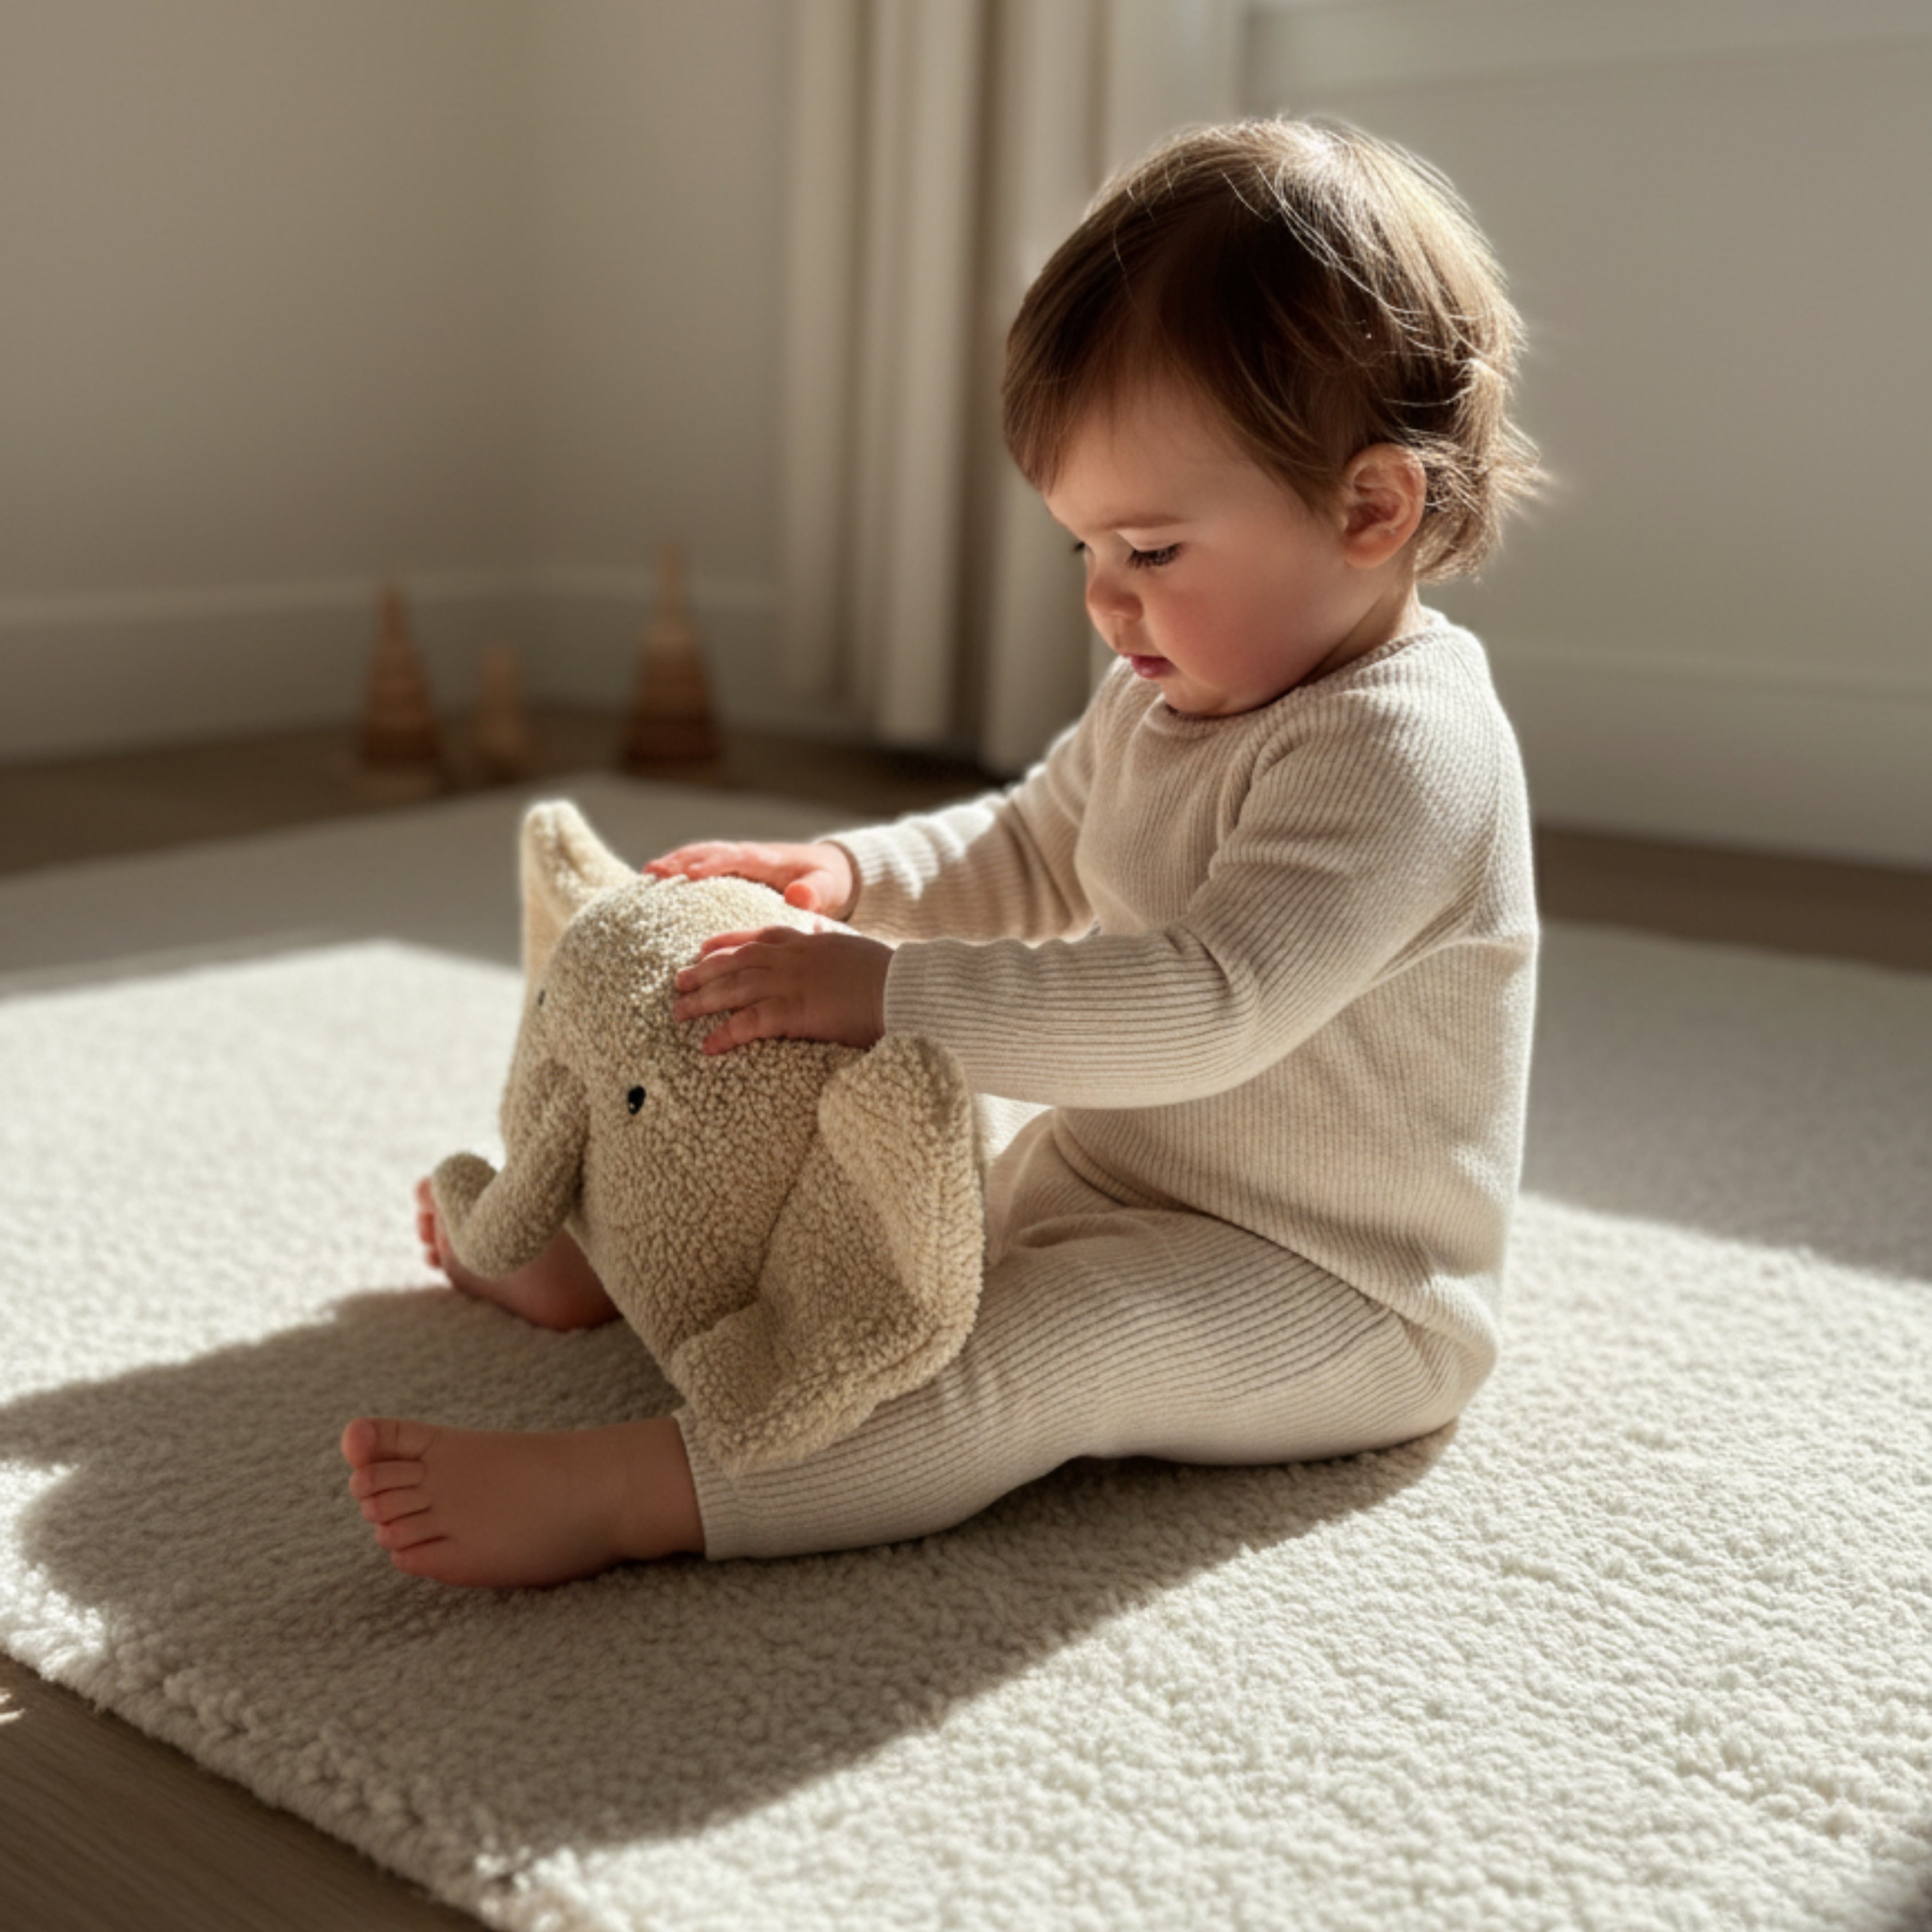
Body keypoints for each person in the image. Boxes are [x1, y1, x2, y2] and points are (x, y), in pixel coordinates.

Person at [342, 117, 1542, 1587]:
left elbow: (1212, 1003)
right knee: (848, 1229)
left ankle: (633, 1493)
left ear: (1369, 509)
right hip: (1113, 1174)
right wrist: (851, 877)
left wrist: (893, 993)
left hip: (1332, 1283)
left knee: (1034, 1354)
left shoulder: (1401, 751)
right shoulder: (1173, 681)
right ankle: (614, 1264)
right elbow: (1033, 839)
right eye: (1080, 550)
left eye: (1152, 551)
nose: (1107, 602)